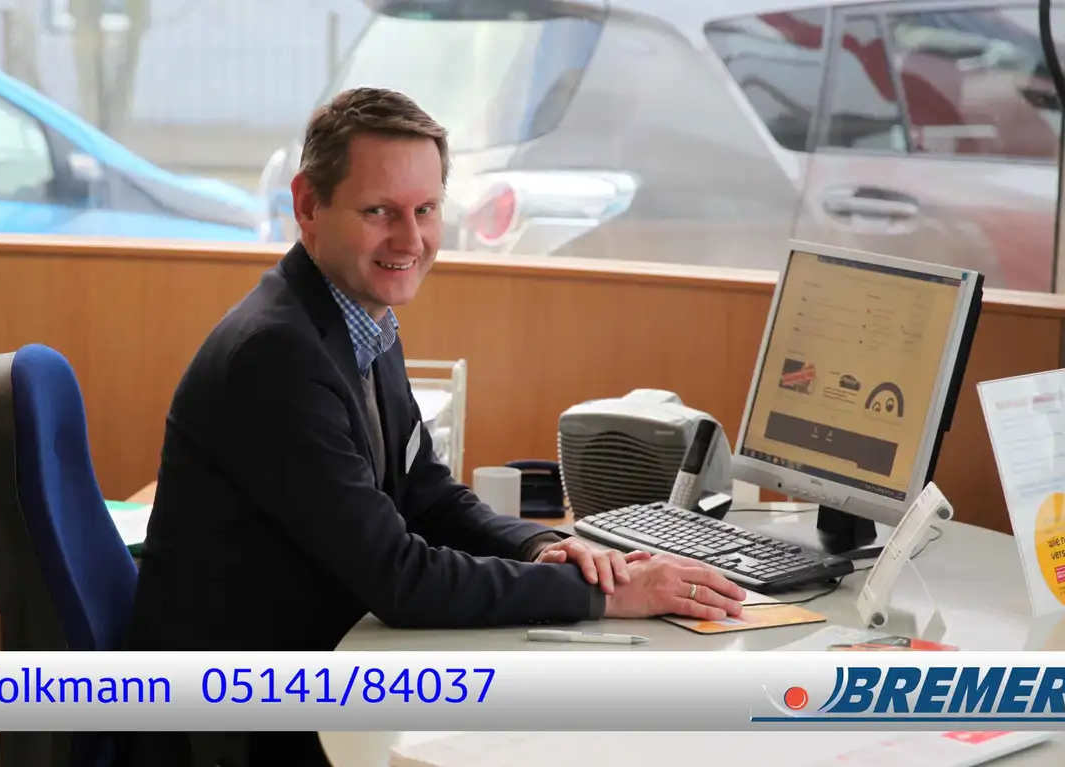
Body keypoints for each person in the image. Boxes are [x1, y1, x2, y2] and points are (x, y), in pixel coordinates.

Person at [117, 87, 746, 767]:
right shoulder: (276, 357)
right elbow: (400, 578)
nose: (410, 241)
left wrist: (544, 546)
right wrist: (606, 594)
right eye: (379, 211)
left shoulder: (357, 317)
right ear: (307, 206)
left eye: (425, 210)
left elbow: (427, 494)